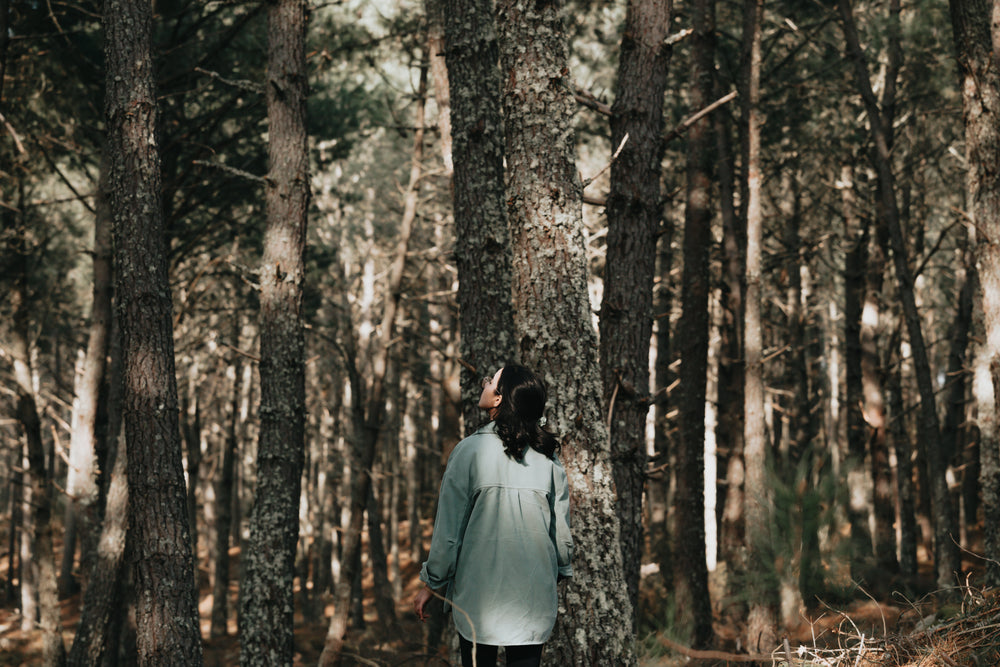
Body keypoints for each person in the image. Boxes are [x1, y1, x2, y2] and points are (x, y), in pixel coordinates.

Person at [413, 365, 573, 667]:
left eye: (491, 381)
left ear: (499, 399)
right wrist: (560, 569)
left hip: (477, 600)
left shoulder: (468, 452)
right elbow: (561, 534)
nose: (484, 383)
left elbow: (448, 531)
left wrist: (431, 584)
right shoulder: (548, 459)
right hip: (533, 597)